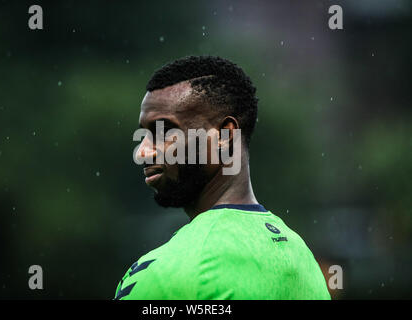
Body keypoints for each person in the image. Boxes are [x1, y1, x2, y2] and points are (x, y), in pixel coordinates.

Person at [114, 56, 330, 300]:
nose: (142, 151)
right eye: (143, 134)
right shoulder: (303, 260)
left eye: (163, 130)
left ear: (225, 135)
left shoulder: (163, 274)